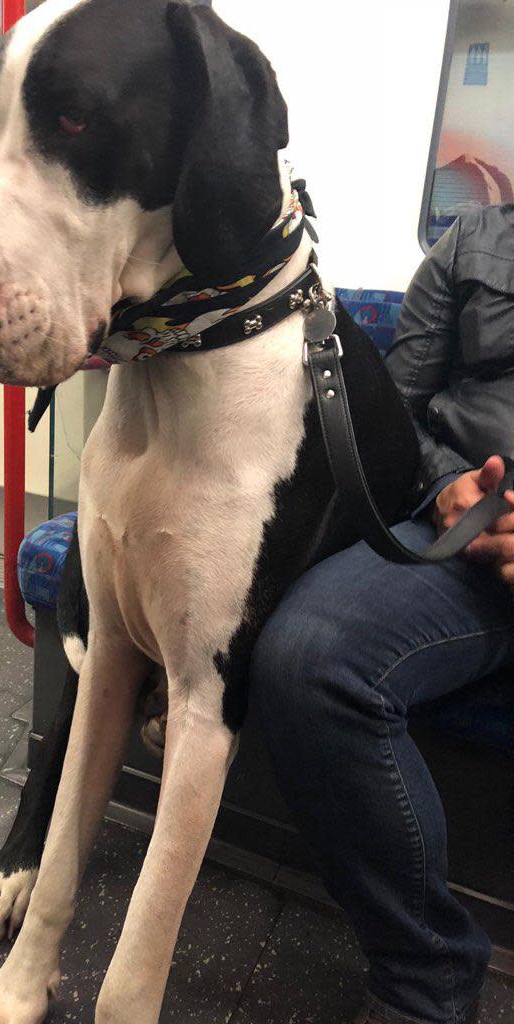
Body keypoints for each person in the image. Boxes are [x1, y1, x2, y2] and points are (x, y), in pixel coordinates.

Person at [251, 204, 514, 1024]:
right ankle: (426, 975)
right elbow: (394, 406)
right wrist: (448, 491)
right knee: (310, 655)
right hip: (463, 526)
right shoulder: (473, 240)